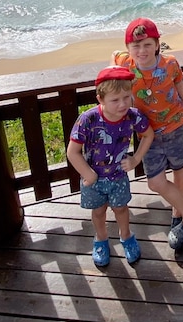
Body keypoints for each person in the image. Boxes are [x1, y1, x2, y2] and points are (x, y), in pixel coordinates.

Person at [113, 17, 183, 250]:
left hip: (176, 126)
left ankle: (178, 212)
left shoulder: (170, 64)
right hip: (147, 134)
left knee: (180, 168)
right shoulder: (126, 64)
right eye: (136, 46)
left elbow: (180, 85)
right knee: (155, 181)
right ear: (129, 48)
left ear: (157, 45)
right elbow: (113, 56)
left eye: (147, 45)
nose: (142, 51)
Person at [66, 65, 154, 267]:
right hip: (93, 179)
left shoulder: (133, 116)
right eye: (115, 100)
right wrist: (88, 174)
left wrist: (136, 159)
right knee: (98, 211)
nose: (122, 104)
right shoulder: (88, 119)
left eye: (126, 97)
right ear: (101, 99)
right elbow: (72, 151)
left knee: (121, 209)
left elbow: (148, 134)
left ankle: (126, 236)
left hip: (118, 176)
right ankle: (101, 239)